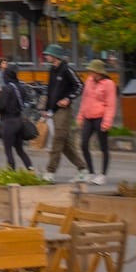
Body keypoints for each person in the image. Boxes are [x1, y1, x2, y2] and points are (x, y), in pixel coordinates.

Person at [42, 46, 90, 180]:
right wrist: (46, 109)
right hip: (54, 111)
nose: (46, 56)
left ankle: (50, 172)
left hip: (64, 111)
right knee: (65, 144)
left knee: (58, 139)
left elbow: (80, 85)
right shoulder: (52, 70)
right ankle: (83, 169)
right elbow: (50, 90)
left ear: (55, 56)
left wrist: (68, 99)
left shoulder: (67, 69)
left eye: (48, 54)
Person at [77, 60, 117, 184]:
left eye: (91, 71)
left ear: (98, 72)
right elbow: (84, 99)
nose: (89, 73)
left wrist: (107, 122)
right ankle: (91, 172)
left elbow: (111, 104)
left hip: (101, 117)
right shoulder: (89, 81)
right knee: (83, 144)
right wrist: (80, 116)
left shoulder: (108, 84)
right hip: (88, 116)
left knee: (103, 147)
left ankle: (103, 175)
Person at [0, 66, 36, 171]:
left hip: (8, 122)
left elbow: (0, 106)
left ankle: (11, 172)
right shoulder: (21, 87)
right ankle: (30, 169)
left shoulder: (7, 89)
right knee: (20, 149)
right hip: (19, 121)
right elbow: (27, 101)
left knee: (8, 150)